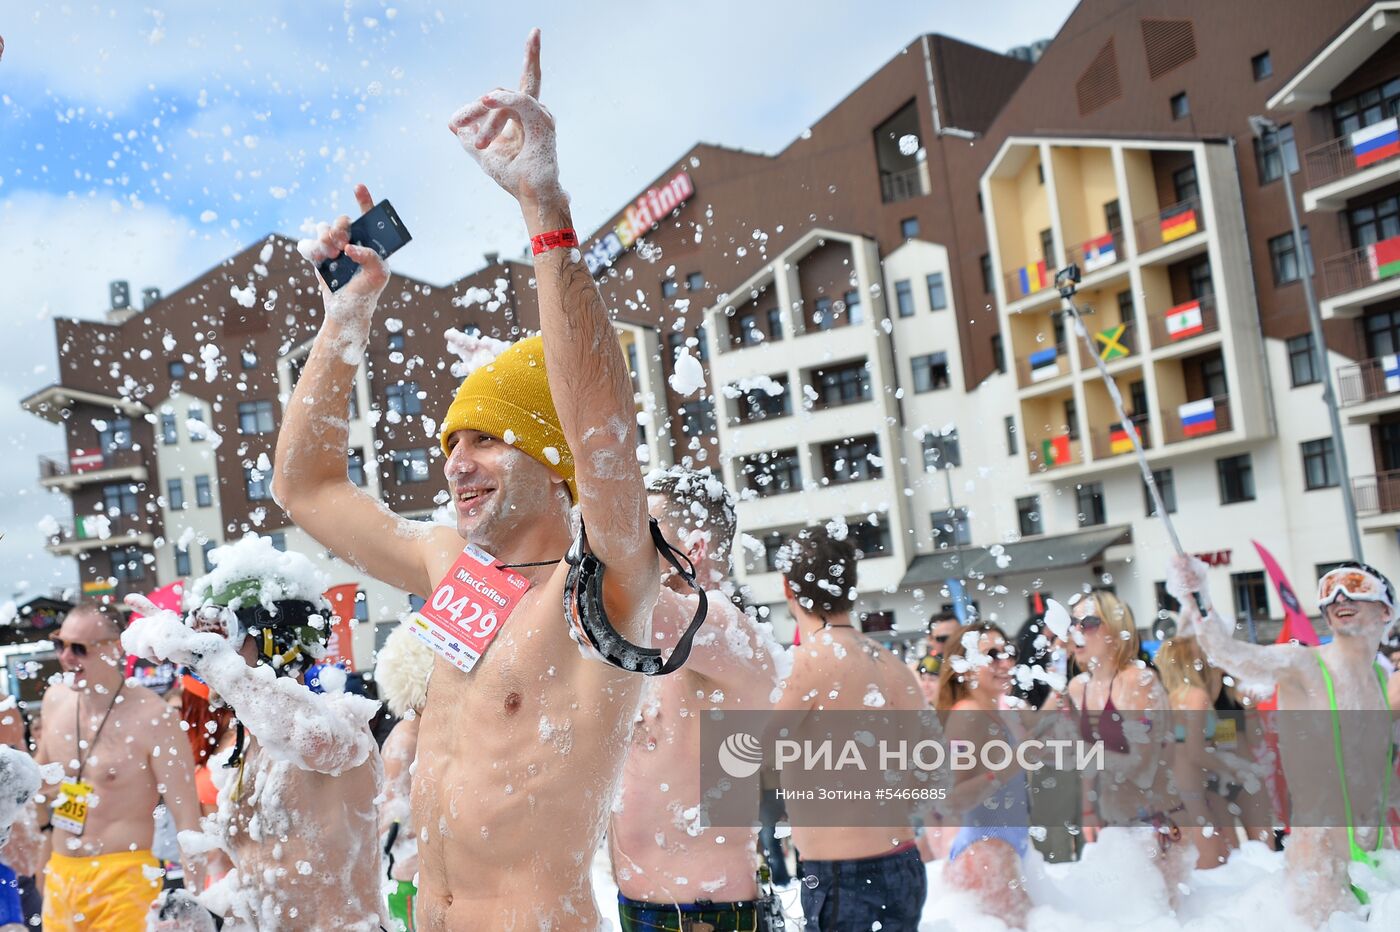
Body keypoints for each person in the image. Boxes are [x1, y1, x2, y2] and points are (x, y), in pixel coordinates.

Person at [271, 29, 690, 928]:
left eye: (491, 439)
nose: (459, 463)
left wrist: (543, 203)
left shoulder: (605, 588)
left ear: (554, 461)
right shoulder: (449, 568)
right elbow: (304, 488)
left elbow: (603, 429)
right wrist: (349, 315)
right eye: (452, 441)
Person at [122, 536, 386, 929]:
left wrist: (208, 659)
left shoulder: (343, 721)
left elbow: (310, 739)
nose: (206, 653)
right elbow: (263, 877)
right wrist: (205, 912)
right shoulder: (243, 753)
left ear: (274, 638)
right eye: (201, 633)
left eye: (219, 633)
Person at [609, 466, 786, 931]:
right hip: (639, 905)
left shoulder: (728, 633)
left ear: (694, 548)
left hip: (707, 914)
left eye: (641, 529)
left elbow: (624, 606)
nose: (627, 545)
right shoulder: (657, 647)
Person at [1173, 556, 1398, 920]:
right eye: (1329, 592)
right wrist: (1197, 596)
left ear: (1386, 610)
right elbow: (1229, 653)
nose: (1340, 598)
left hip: (1377, 853)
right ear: (1324, 615)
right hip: (1320, 860)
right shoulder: (1305, 664)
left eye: (1355, 587)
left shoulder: (1377, 677)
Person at [774, 525, 932, 932]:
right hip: (905, 864)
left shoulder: (805, 664)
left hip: (840, 872)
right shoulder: (894, 667)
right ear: (851, 586)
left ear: (788, 588)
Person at [30, 601, 204, 931]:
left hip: (124, 881)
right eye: (60, 644)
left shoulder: (155, 718)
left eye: (79, 648)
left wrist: (197, 904)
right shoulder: (56, 698)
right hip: (62, 874)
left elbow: (187, 820)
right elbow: (41, 777)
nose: (66, 657)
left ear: (114, 648)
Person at [1065, 589, 1192, 907]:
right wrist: (1087, 812)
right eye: (1072, 623)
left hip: (1153, 825)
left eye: (1088, 623)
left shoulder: (1139, 681)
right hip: (1111, 827)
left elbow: (1141, 763)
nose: (1077, 631)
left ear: (1114, 631)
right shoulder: (1077, 686)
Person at [936, 622, 1032, 927]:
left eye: (1008, 652)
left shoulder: (994, 711)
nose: (1005, 662)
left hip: (1002, 852)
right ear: (965, 669)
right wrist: (1009, 768)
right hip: (984, 857)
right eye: (991, 655)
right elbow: (950, 801)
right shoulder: (968, 714)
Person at [374, 623, 435, 931]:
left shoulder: (423, 733)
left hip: (423, 877)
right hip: (411, 879)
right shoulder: (407, 738)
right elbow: (389, 818)